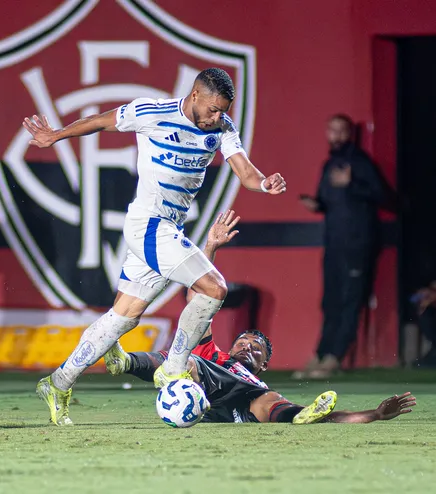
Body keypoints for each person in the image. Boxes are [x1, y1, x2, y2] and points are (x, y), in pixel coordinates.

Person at [23, 67, 286, 426]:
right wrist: (55, 136)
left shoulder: (223, 128)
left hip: (166, 230)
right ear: (195, 96)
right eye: (212, 109)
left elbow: (244, 170)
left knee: (123, 318)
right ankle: (174, 369)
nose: (217, 117)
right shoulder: (153, 113)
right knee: (214, 287)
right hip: (148, 224)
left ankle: (58, 383)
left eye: (223, 110)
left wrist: (264, 183)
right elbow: (101, 120)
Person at [103, 213, 416, 424]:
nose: (247, 347)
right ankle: (126, 363)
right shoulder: (214, 355)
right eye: (244, 341)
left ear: (264, 364)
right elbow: (198, 300)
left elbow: (274, 404)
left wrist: (373, 415)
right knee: (186, 358)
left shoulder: (256, 382)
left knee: (270, 402)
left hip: (235, 406)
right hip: (201, 388)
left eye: (256, 348)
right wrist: (210, 246)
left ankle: (301, 416)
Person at [296, 114, 387, 380]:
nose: (336, 136)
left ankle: (335, 357)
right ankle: (321, 354)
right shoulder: (329, 165)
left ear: (350, 134)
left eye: (341, 131)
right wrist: (316, 204)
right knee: (330, 301)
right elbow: (327, 201)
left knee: (349, 300)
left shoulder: (360, 162)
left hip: (357, 244)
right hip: (334, 243)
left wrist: (353, 185)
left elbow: (383, 195)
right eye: (332, 130)